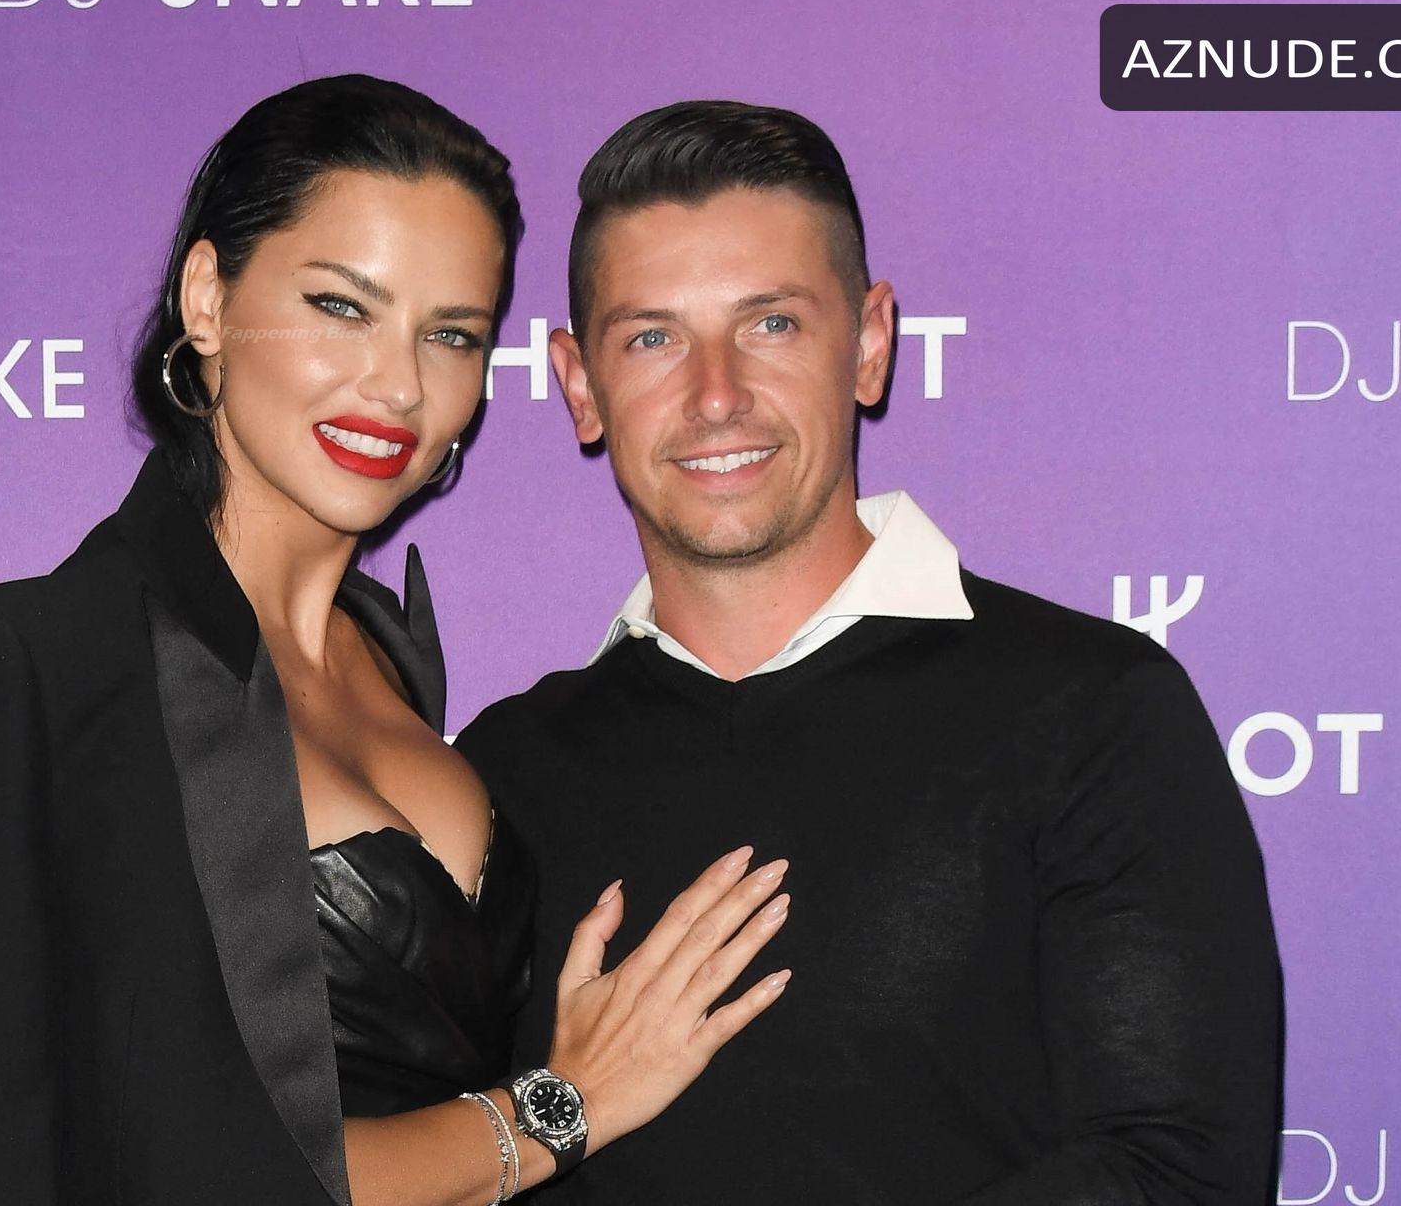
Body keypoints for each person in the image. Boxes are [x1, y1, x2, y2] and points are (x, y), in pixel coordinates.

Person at [0, 75, 793, 1206]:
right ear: (208, 297)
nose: (398, 385)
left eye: (451, 334)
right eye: (343, 306)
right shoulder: (19, 671)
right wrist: (559, 1106)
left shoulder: (401, 675)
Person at [453, 101, 1284, 1204]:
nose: (715, 395)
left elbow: (1180, 1169)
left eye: (771, 324)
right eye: (653, 337)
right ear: (578, 384)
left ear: (872, 342)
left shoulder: (1094, 711)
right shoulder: (503, 769)